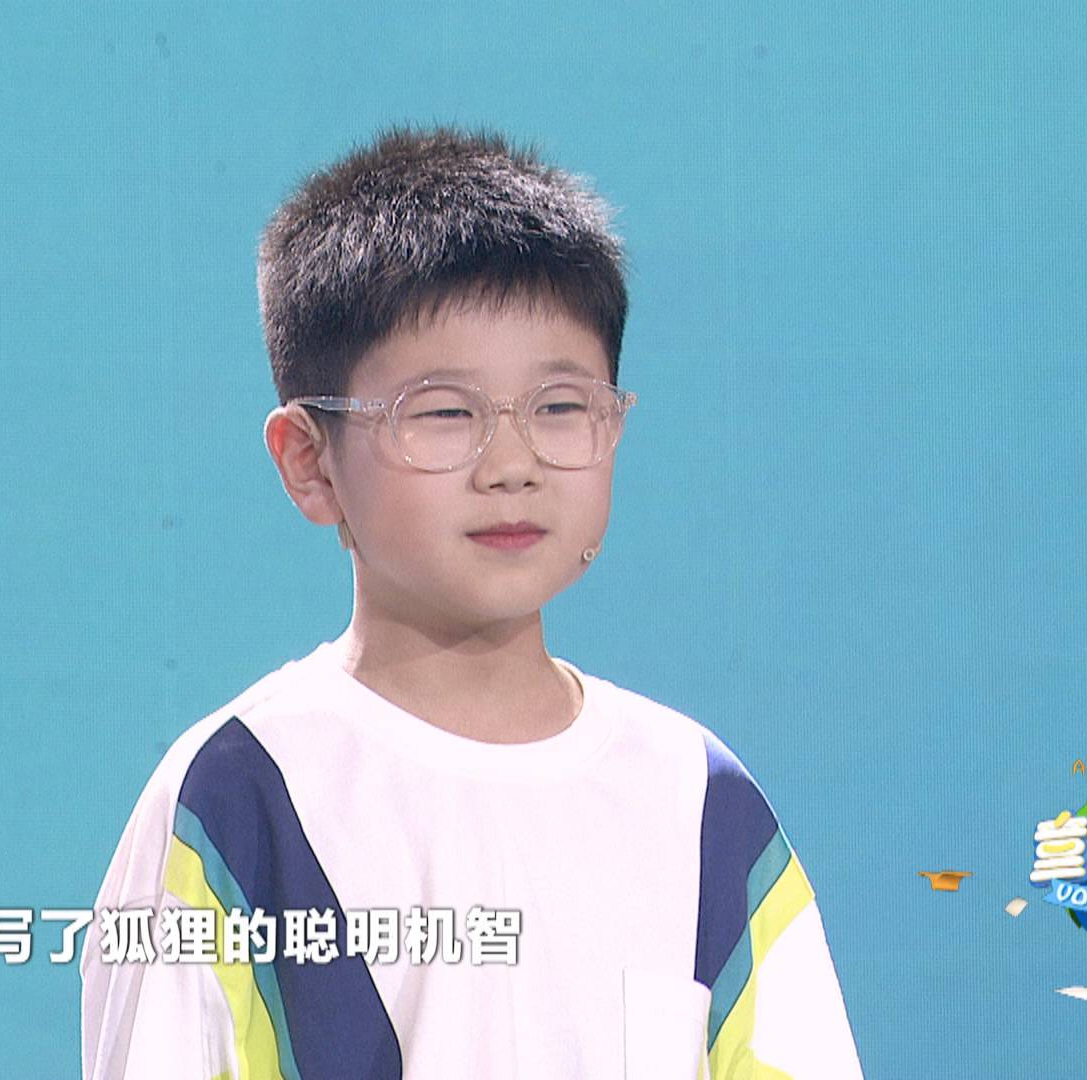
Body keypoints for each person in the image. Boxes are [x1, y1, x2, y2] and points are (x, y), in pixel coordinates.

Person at [81, 126, 862, 1080]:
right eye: (445, 413)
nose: (512, 466)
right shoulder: (241, 793)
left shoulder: (700, 797)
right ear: (309, 461)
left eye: (560, 407)